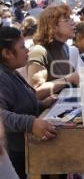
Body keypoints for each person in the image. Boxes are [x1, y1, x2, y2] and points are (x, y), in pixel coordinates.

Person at [0, 26, 57, 179]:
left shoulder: (11, 72)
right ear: (6, 53)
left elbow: (19, 104)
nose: (27, 51)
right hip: (16, 155)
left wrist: (42, 104)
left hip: (28, 149)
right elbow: (2, 115)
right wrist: (30, 123)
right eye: (22, 47)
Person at [27, 4, 79, 100]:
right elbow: (36, 92)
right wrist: (69, 79)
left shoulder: (65, 48)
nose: (73, 23)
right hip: (47, 113)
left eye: (71, 19)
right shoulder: (39, 51)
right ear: (53, 25)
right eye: (67, 19)